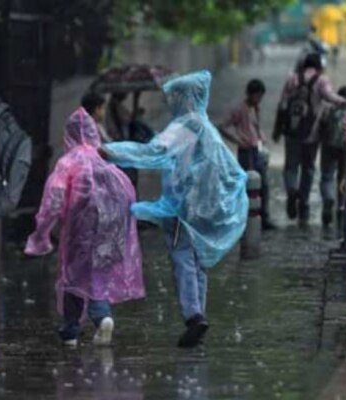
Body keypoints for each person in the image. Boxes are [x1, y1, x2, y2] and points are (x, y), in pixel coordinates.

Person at [100, 71, 248, 348]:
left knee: (182, 259)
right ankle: (198, 314)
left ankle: (193, 316)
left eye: (175, 96)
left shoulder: (183, 127)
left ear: (184, 97)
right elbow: (231, 169)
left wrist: (111, 151)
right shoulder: (206, 127)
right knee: (197, 262)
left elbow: (151, 151)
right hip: (203, 209)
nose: (171, 102)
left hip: (183, 208)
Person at [25, 107, 145, 347]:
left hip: (80, 228)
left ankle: (73, 328)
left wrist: (42, 233)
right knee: (98, 273)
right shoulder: (103, 160)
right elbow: (127, 193)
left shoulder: (68, 162)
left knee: (73, 275)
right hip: (110, 227)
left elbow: (54, 198)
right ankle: (103, 316)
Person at [274, 53, 346, 225]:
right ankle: (304, 203)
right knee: (308, 169)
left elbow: (282, 103)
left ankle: (292, 191)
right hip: (312, 134)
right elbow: (330, 97)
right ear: (318, 66)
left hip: (291, 132)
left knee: (291, 167)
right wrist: (345, 101)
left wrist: (278, 129)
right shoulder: (321, 80)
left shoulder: (292, 79)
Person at [218, 79, 277, 230]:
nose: (259, 99)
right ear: (250, 94)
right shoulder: (240, 109)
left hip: (257, 150)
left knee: (263, 185)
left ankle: (263, 216)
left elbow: (256, 128)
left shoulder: (256, 108)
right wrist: (238, 140)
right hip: (246, 151)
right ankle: (245, 217)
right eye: (257, 96)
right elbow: (223, 126)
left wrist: (262, 140)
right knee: (248, 185)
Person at [312, 87, 346, 228]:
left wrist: (317, 142)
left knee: (327, 176)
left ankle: (328, 199)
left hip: (328, 145)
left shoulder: (329, 109)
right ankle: (341, 207)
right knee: (343, 177)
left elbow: (319, 126)